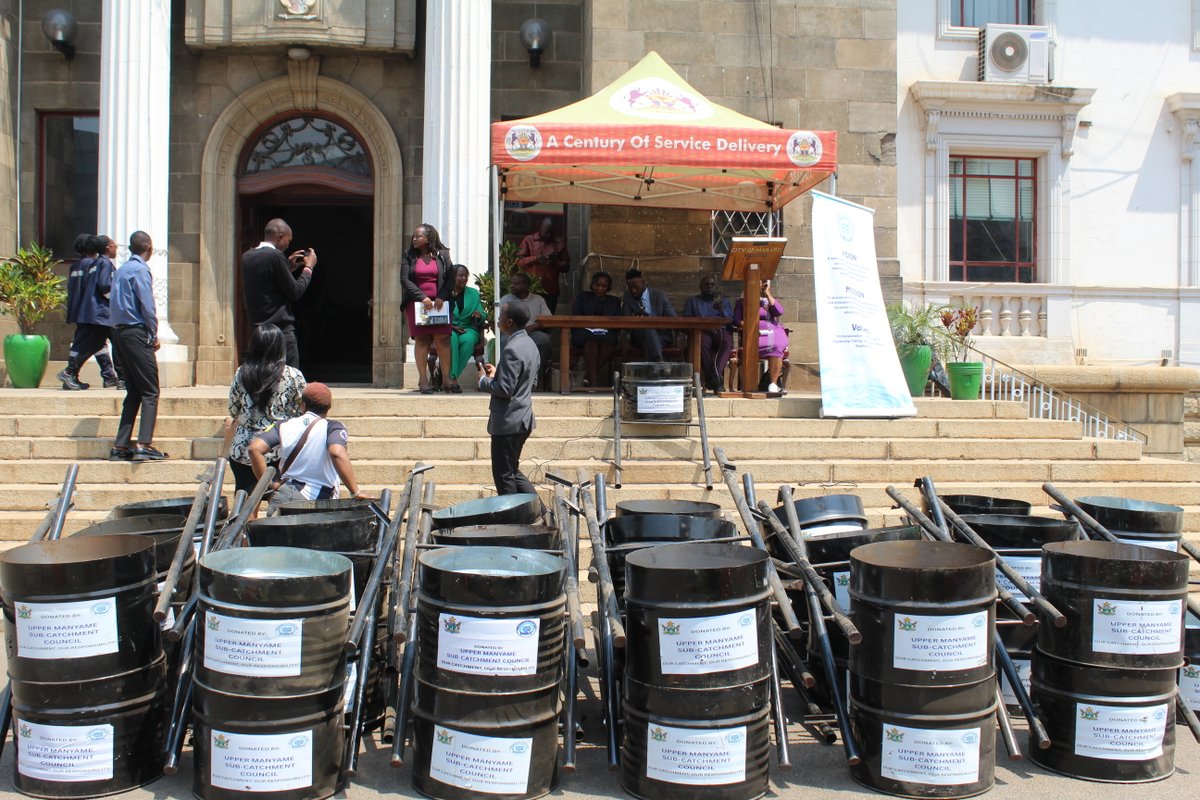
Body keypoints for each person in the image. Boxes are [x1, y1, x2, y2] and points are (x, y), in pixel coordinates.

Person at [248, 382, 368, 515]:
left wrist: (269, 485)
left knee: (274, 536)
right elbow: (337, 453)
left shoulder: (283, 425)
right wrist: (355, 491)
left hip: (283, 494)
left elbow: (254, 449)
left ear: (303, 405)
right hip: (314, 500)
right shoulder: (333, 428)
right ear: (329, 407)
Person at [225, 324, 306, 497]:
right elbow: (303, 411)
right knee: (281, 503)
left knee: (246, 503)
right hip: (280, 448)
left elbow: (233, 410)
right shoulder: (294, 375)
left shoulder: (241, 373)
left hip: (244, 451)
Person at [109, 231, 166, 461]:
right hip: (136, 332)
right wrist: (153, 333)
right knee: (150, 390)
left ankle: (121, 445)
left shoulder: (121, 270)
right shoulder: (141, 270)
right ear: (149, 249)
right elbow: (147, 305)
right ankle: (144, 443)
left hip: (119, 334)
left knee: (133, 390)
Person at [479, 299, 539, 495]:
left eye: (501, 316)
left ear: (510, 321)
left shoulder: (512, 349)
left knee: (504, 475)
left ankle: (513, 518)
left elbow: (505, 389)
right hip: (522, 418)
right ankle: (538, 510)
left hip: (509, 422)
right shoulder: (529, 343)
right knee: (512, 471)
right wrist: (499, 373)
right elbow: (530, 380)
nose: (498, 319)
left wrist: (483, 381)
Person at [241, 217, 318, 369]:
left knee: (261, 374)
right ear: (280, 236)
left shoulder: (247, 257)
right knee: (289, 376)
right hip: (280, 331)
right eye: (288, 241)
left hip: (258, 331)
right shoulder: (276, 256)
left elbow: (266, 282)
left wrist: (287, 267)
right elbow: (295, 291)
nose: (288, 245)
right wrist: (308, 268)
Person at [58, 234, 123, 391]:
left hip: (86, 311)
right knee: (95, 344)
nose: (117, 247)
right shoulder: (99, 264)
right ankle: (71, 372)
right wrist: (115, 302)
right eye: (114, 245)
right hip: (99, 312)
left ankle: (111, 377)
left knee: (92, 344)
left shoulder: (78, 265)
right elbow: (103, 286)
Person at [401, 223, 455, 394]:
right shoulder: (409, 256)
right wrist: (422, 297)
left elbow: (450, 277)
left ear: (428, 238)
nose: (414, 239)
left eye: (418, 236)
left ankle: (447, 378)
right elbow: (405, 280)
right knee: (422, 339)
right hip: (417, 304)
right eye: (414, 236)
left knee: (443, 339)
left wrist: (441, 297)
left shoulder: (442, 255)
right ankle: (423, 381)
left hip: (439, 304)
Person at [733, 279, 789, 394]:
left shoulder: (767, 301)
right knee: (760, 346)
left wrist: (768, 294)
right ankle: (748, 385)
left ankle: (773, 384)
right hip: (755, 333)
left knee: (776, 346)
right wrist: (750, 328)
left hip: (774, 332)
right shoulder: (742, 302)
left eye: (759, 286)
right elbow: (737, 320)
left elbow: (779, 312)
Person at [683, 274, 734, 392]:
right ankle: (716, 380)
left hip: (720, 331)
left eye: (712, 285)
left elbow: (731, 321)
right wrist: (704, 326)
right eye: (706, 284)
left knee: (727, 342)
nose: (709, 287)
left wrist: (722, 310)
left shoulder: (724, 301)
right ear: (701, 287)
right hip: (702, 331)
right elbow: (687, 319)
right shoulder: (693, 301)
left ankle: (713, 377)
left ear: (716, 287)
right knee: (702, 344)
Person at [570, 271, 622, 387]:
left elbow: (617, 320)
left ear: (608, 288)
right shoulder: (582, 297)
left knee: (607, 345)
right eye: (597, 285)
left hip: (606, 334)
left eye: (604, 286)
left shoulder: (614, 301)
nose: (600, 289)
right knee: (590, 343)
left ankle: (589, 377)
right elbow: (576, 316)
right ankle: (593, 381)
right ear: (592, 285)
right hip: (584, 332)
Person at [621, 267, 676, 361]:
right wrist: (635, 319)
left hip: (661, 335)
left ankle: (653, 369)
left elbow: (673, 318)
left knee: (649, 337)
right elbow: (625, 320)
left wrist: (652, 321)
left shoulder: (659, 295)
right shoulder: (627, 296)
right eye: (630, 288)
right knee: (648, 331)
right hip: (639, 335)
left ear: (643, 282)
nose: (633, 291)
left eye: (636, 287)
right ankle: (658, 365)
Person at [500, 271, 552, 370]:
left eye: (516, 284)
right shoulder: (506, 299)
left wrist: (532, 327)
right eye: (512, 283)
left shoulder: (538, 299)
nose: (512, 286)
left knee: (543, 340)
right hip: (511, 333)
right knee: (504, 340)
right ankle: (508, 376)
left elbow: (548, 319)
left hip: (533, 332)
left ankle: (533, 374)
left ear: (525, 285)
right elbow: (501, 320)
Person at [516, 217, 570, 312]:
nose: (548, 235)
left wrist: (555, 262)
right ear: (540, 227)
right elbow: (519, 261)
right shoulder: (529, 240)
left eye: (552, 233)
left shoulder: (558, 243)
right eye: (546, 232)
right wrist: (536, 258)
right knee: (530, 318)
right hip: (532, 289)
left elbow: (566, 267)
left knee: (548, 320)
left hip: (551, 290)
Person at [446, 264, 483, 393]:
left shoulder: (473, 293)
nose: (464, 278)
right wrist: (451, 326)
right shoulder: (445, 292)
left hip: (468, 328)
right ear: (453, 277)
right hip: (448, 327)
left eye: (465, 276)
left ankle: (451, 377)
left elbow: (482, 312)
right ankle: (453, 380)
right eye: (460, 275)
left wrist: (478, 315)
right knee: (452, 339)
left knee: (467, 341)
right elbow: (438, 313)